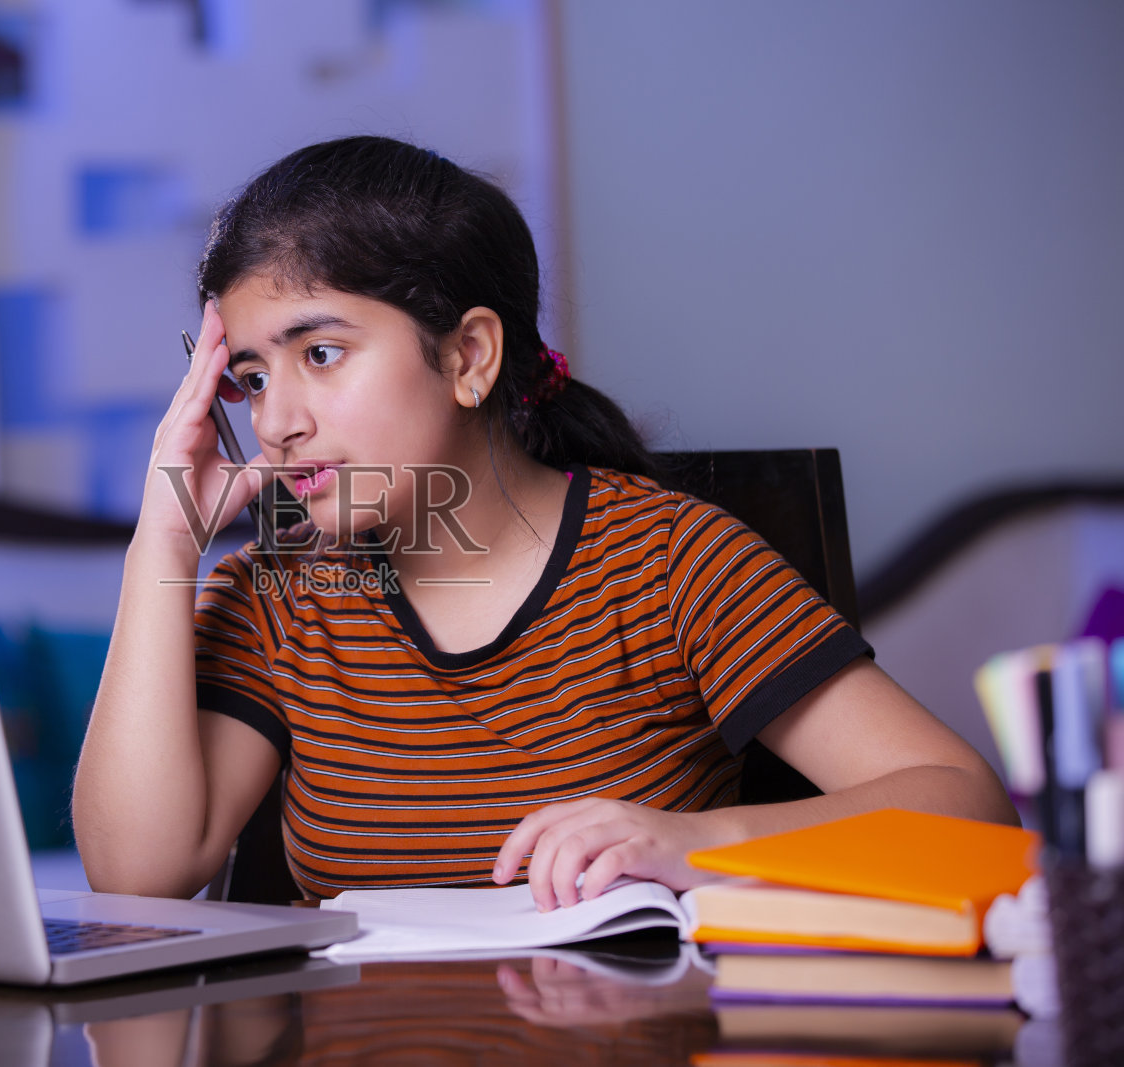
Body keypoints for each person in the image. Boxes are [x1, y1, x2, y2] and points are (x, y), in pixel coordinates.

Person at [71, 136, 1015, 912]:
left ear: (470, 355)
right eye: (252, 377)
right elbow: (139, 871)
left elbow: (968, 809)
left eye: (321, 352)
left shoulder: (670, 562)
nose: (277, 421)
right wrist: (166, 540)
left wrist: (692, 845)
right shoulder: (281, 595)